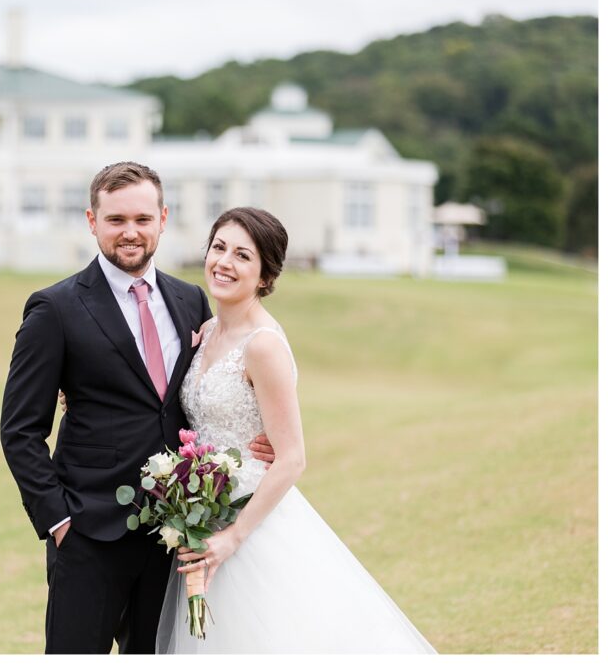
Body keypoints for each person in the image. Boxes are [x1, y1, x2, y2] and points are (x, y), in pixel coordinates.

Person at [0, 162, 274, 654]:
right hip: (87, 534)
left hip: (172, 539)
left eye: (143, 219)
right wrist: (59, 522)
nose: (131, 232)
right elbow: (20, 430)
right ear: (92, 221)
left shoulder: (191, 301)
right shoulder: (54, 309)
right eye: (116, 220)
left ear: (163, 219)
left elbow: (205, 396)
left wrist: (260, 441)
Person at [156, 207, 437, 654]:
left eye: (242, 256)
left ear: (265, 275)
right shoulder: (206, 332)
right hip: (203, 516)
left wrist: (232, 537)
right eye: (219, 248)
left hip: (250, 528)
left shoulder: (263, 345)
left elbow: (291, 458)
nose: (224, 262)